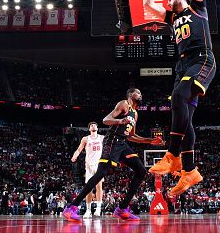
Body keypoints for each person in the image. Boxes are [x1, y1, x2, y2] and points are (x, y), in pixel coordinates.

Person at [144, 0, 216, 196]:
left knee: (178, 97)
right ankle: (189, 171)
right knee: (186, 121)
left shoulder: (198, 8)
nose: (167, 4)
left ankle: (172, 154)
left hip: (202, 59)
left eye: (170, 0)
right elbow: (147, 6)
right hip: (183, 66)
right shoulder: (172, 18)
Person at [63, 88, 164, 222]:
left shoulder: (135, 114)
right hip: (112, 141)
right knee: (100, 174)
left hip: (122, 144)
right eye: (137, 93)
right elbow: (106, 120)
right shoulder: (124, 104)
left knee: (141, 171)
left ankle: (122, 209)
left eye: (141, 93)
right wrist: (120, 121)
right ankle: (71, 208)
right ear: (130, 95)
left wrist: (150, 141)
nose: (140, 95)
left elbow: (131, 136)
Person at [71, 122, 104, 217]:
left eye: (94, 125)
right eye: (91, 125)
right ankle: (88, 210)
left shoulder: (102, 138)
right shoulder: (86, 139)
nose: (93, 126)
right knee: (88, 188)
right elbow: (79, 149)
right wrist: (75, 155)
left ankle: (98, 208)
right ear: (89, 129)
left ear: (97, 128)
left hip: (99, 165)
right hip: (89, 165)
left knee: (99, 186)